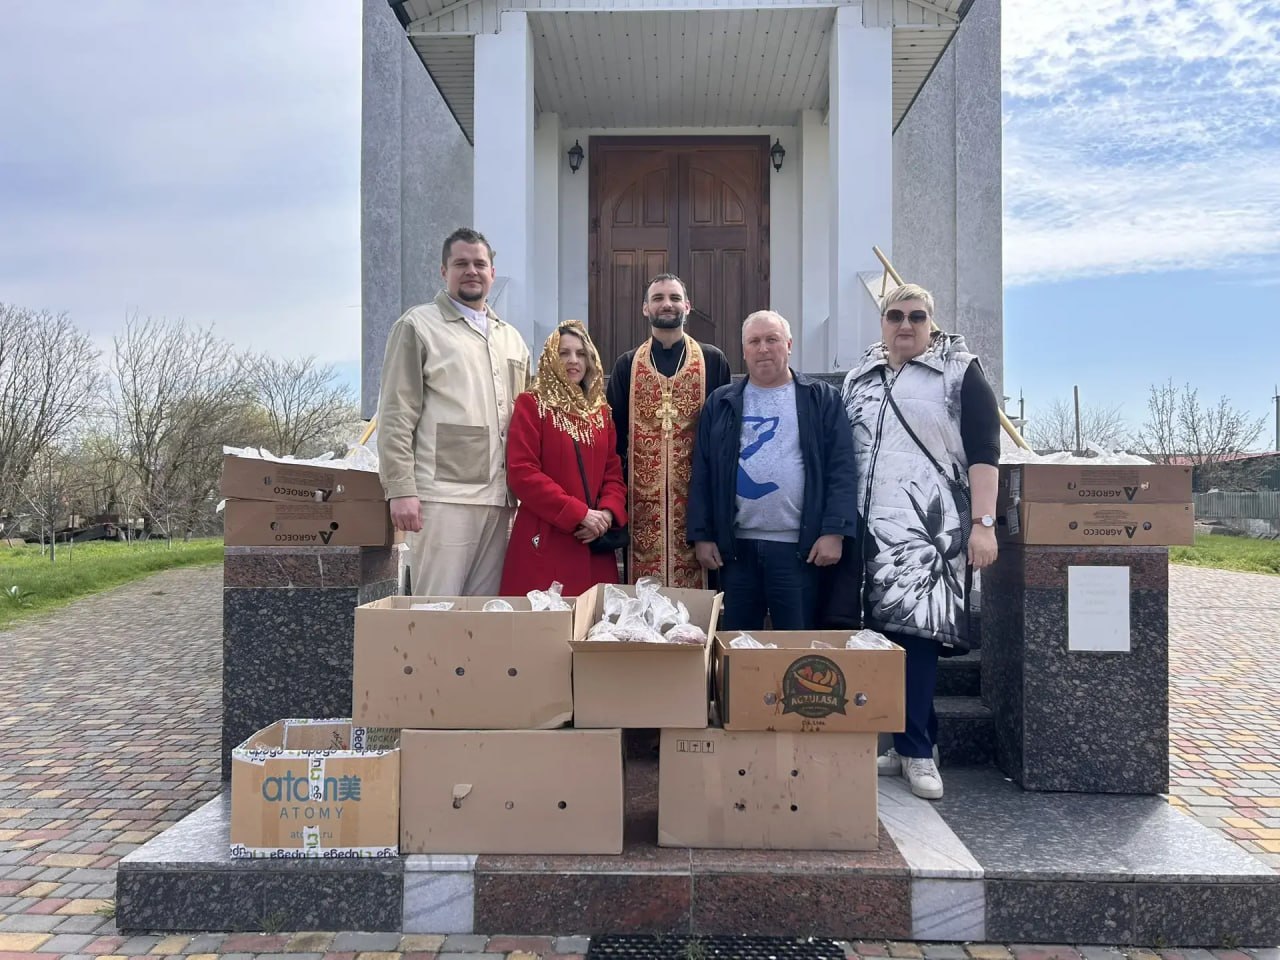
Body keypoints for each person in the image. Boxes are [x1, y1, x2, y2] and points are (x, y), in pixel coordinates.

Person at [833, 283, 1000, 801]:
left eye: (917, 316)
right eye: (895, 316)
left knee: (919, 642)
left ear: (931, 322)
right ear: (882, 322)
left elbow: (984, 451)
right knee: (884, 642)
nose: (905, 325)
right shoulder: (860, 377)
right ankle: (909, 742)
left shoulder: (959, 372)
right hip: (869, 535)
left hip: (926, 534)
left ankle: (919, 752)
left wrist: (984, 523)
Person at [376, 227, 532, 597]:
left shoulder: (511, 338)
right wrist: (400, 489)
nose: (471, 271)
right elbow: (396, 413)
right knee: (436, 609)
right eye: (461, 263)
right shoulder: (418, 326)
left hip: (501, 498)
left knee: (484, 613)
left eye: (480, 263)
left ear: (492, 272)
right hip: (444, 496)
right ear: (444, 271)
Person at [687, 311, 857, 629]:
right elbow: (704, 472)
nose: (763, 348)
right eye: (754, 341)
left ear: (789, 344)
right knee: (739, 644)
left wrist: (835, 531)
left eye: (772, 339)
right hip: (736, 551)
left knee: (796, 644)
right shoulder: (721, 402)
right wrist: (702, 534)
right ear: (744, 350)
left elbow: (841, 468)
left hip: (798, 550)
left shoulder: (820, 399)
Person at [606, 274, 732, 587]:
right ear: (645, 308)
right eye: (658, 298)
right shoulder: (627, 365)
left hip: (698, 508)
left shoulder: (712, 361)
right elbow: (613, 443)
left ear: (687, 306)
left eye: (675, 298)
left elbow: (724, 444)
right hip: (640, 510)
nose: (667, 304)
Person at [500, 321, 628, 597]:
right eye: (564, 353)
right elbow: (522, 473)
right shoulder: (532, 404)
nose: (573, 360)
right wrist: (578, 514)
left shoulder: (600, 412)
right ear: (550, 357)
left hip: (594, 544)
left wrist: (606, 515)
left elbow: (613, 473)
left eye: (581, 354)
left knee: (592, 620)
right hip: (546, 539)